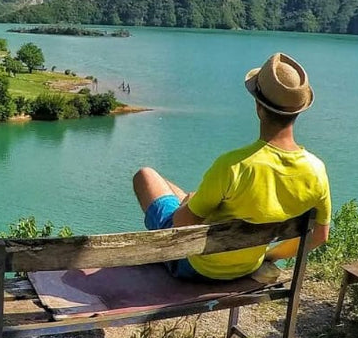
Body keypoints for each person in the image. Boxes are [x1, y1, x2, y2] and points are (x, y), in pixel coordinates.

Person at [133, 52, 331, 284]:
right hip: (249, 264)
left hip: (196, 266)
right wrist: (267, 256)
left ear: (259, 107)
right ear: (298, 111)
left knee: (145, 175)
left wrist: (188, 203)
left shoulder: (234, 166)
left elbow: (181, 225)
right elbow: (320, 235)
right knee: (179, 192)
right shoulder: (316, 170)